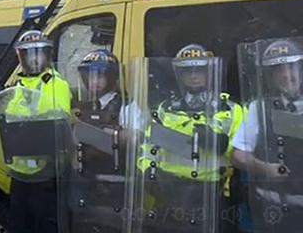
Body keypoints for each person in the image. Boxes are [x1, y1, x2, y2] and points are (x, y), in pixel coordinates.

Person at [134, 44, 244, 232]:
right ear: (179, 76)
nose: (193, 76)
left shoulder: (231, 110)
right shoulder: (165, 109)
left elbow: (242, 153)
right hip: (169, 192)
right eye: (187, 71)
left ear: (210, 73)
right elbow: (148, 148)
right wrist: (147, 173)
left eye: (199, 70)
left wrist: (220, 143)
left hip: (212, 195)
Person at [4, 30, 72, 233]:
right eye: (28, 54)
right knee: (18, 225)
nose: (34, 59)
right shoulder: (15, 86)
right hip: (19, 172)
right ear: (21, 57)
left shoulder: (57, 84)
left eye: (38, 54)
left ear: (47, 55)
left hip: (47, 171)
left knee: (46, 225)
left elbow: (58, 122)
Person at [233, 39, 303, 230]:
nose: (286, 75)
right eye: (278, 69)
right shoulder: (259, 108)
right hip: (272, 213)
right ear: (270, 76)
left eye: (291, 67)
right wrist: (264, 169)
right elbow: (238, 155)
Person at [67, 50, 130, 233]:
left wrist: (105, 134)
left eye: (100, 76)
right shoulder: (82, 107)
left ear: (112, 77)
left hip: (114, 180)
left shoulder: (126, 105)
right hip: (84, 179)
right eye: (90, 76)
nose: (94, 82)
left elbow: (136, 138)